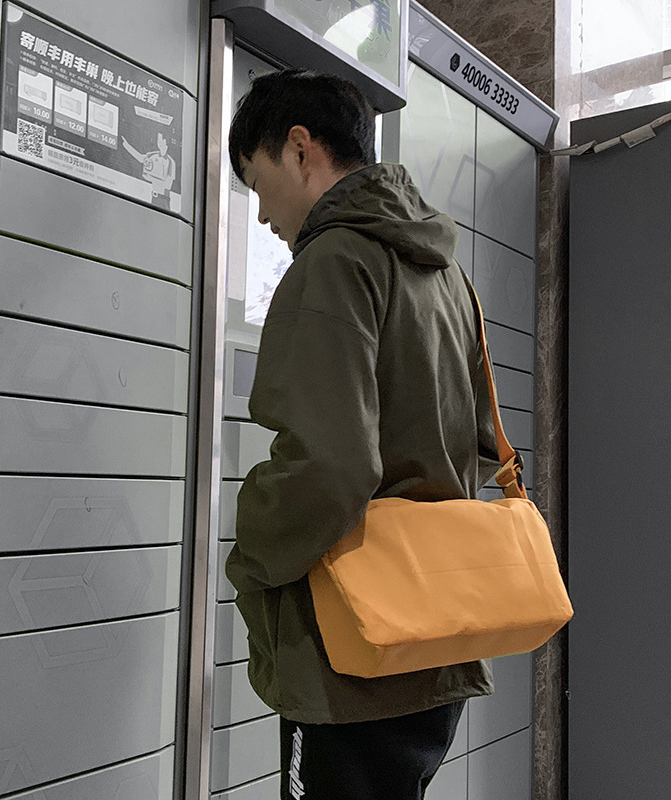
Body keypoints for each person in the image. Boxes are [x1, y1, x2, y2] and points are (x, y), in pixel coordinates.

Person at [224, 69, 502, 800]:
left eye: (256, 184)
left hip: (352, 649)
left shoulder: (332, 263)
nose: (262, 214)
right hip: (435, 637)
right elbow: (478, 445)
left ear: (300, 148)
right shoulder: (444, 273)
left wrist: (250, 549)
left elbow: (330, 468)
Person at [121, 130, 176, 210]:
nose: (159, 143)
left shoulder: (171, 162)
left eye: (161, 140)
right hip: (153, 197)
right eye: (158, 140)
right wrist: (127, 146)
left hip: (164, 198)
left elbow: (168, 185)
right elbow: (140, 158)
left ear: (166, 142)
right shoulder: (153, 155)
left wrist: (150, 178)